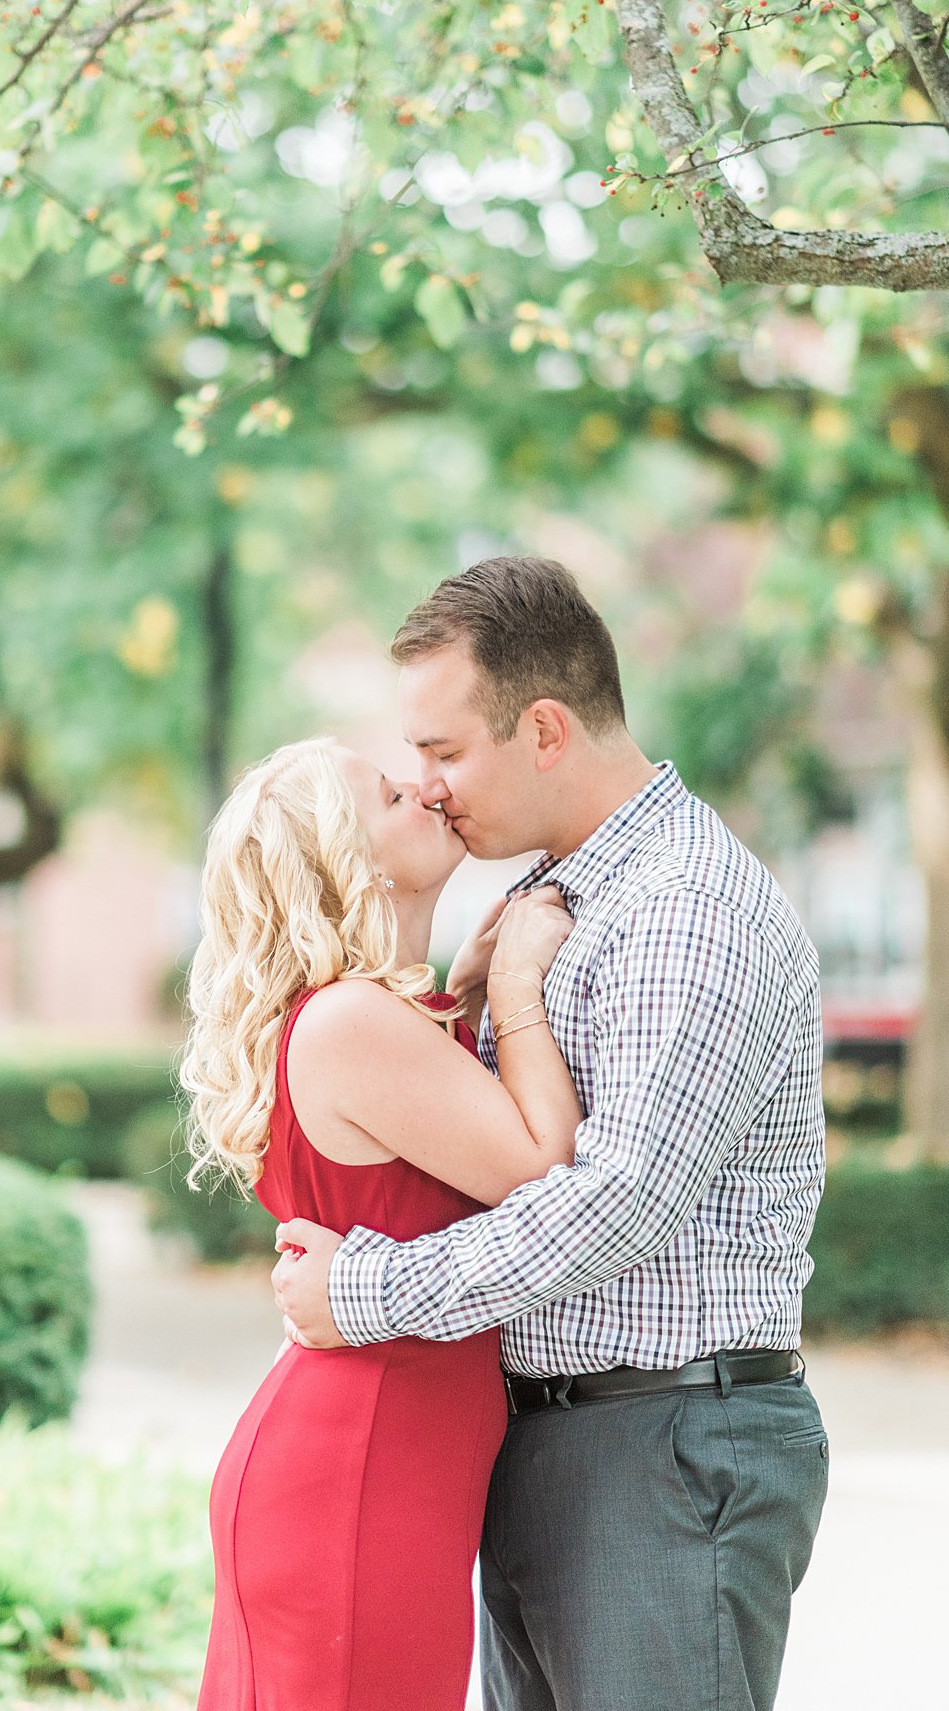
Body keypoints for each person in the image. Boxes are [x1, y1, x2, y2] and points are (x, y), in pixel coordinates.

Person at [274, 556, 829, 1711]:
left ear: (541, 729)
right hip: (554, 1442)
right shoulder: (552, 898)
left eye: (444, 751)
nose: (427, 787)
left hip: (666, 1446)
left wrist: (370, 1291)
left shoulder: (686, 906)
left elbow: (614, 1202)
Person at [181, 736, 583, 1711]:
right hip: (359, 1484)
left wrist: (473, 988)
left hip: (370, 1465)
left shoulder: (369, 1018)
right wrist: (520, 990)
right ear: (343, 864)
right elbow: (541, 1169)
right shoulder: (350, 1022)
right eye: (391, 792)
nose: (427, 788)